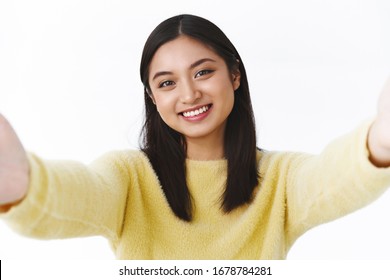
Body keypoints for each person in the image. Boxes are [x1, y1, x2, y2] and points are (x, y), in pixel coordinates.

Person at [0, 14, 390, 260]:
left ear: (234, 75)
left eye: (203, 72)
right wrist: (26, 186)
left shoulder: (279, 178)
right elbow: (82, 195)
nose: (189, 95)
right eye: (167, 83)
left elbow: (329, 180)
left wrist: (379, 141)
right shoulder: (130, 175)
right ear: (153, 98)